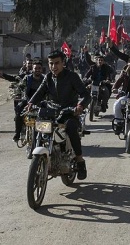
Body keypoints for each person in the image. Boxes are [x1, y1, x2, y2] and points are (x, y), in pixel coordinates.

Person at [27, 50, 90, 180]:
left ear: (63, 63)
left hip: (69, 112)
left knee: (71, 127)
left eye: (57, 63)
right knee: (37, 125)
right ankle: (36, 154)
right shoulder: (48, 77)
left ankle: (79, 160)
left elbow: (85, 94)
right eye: (51, 63)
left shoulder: (72, 76)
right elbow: (39, 92)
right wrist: (31, 103)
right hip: (51, 112)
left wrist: (80, 106)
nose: (54, 67)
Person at [13, 61, 45, 142]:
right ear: (32, 69)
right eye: (35, 68)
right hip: (27, 100)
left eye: (39, 68)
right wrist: (18, 94)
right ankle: (17, 134)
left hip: (41, 102)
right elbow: (19, 87)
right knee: (19, 113)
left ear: (42, 70)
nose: (37, 70)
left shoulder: (45, 79)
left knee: (49, 116)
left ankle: (47, 135)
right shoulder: (27, 78)